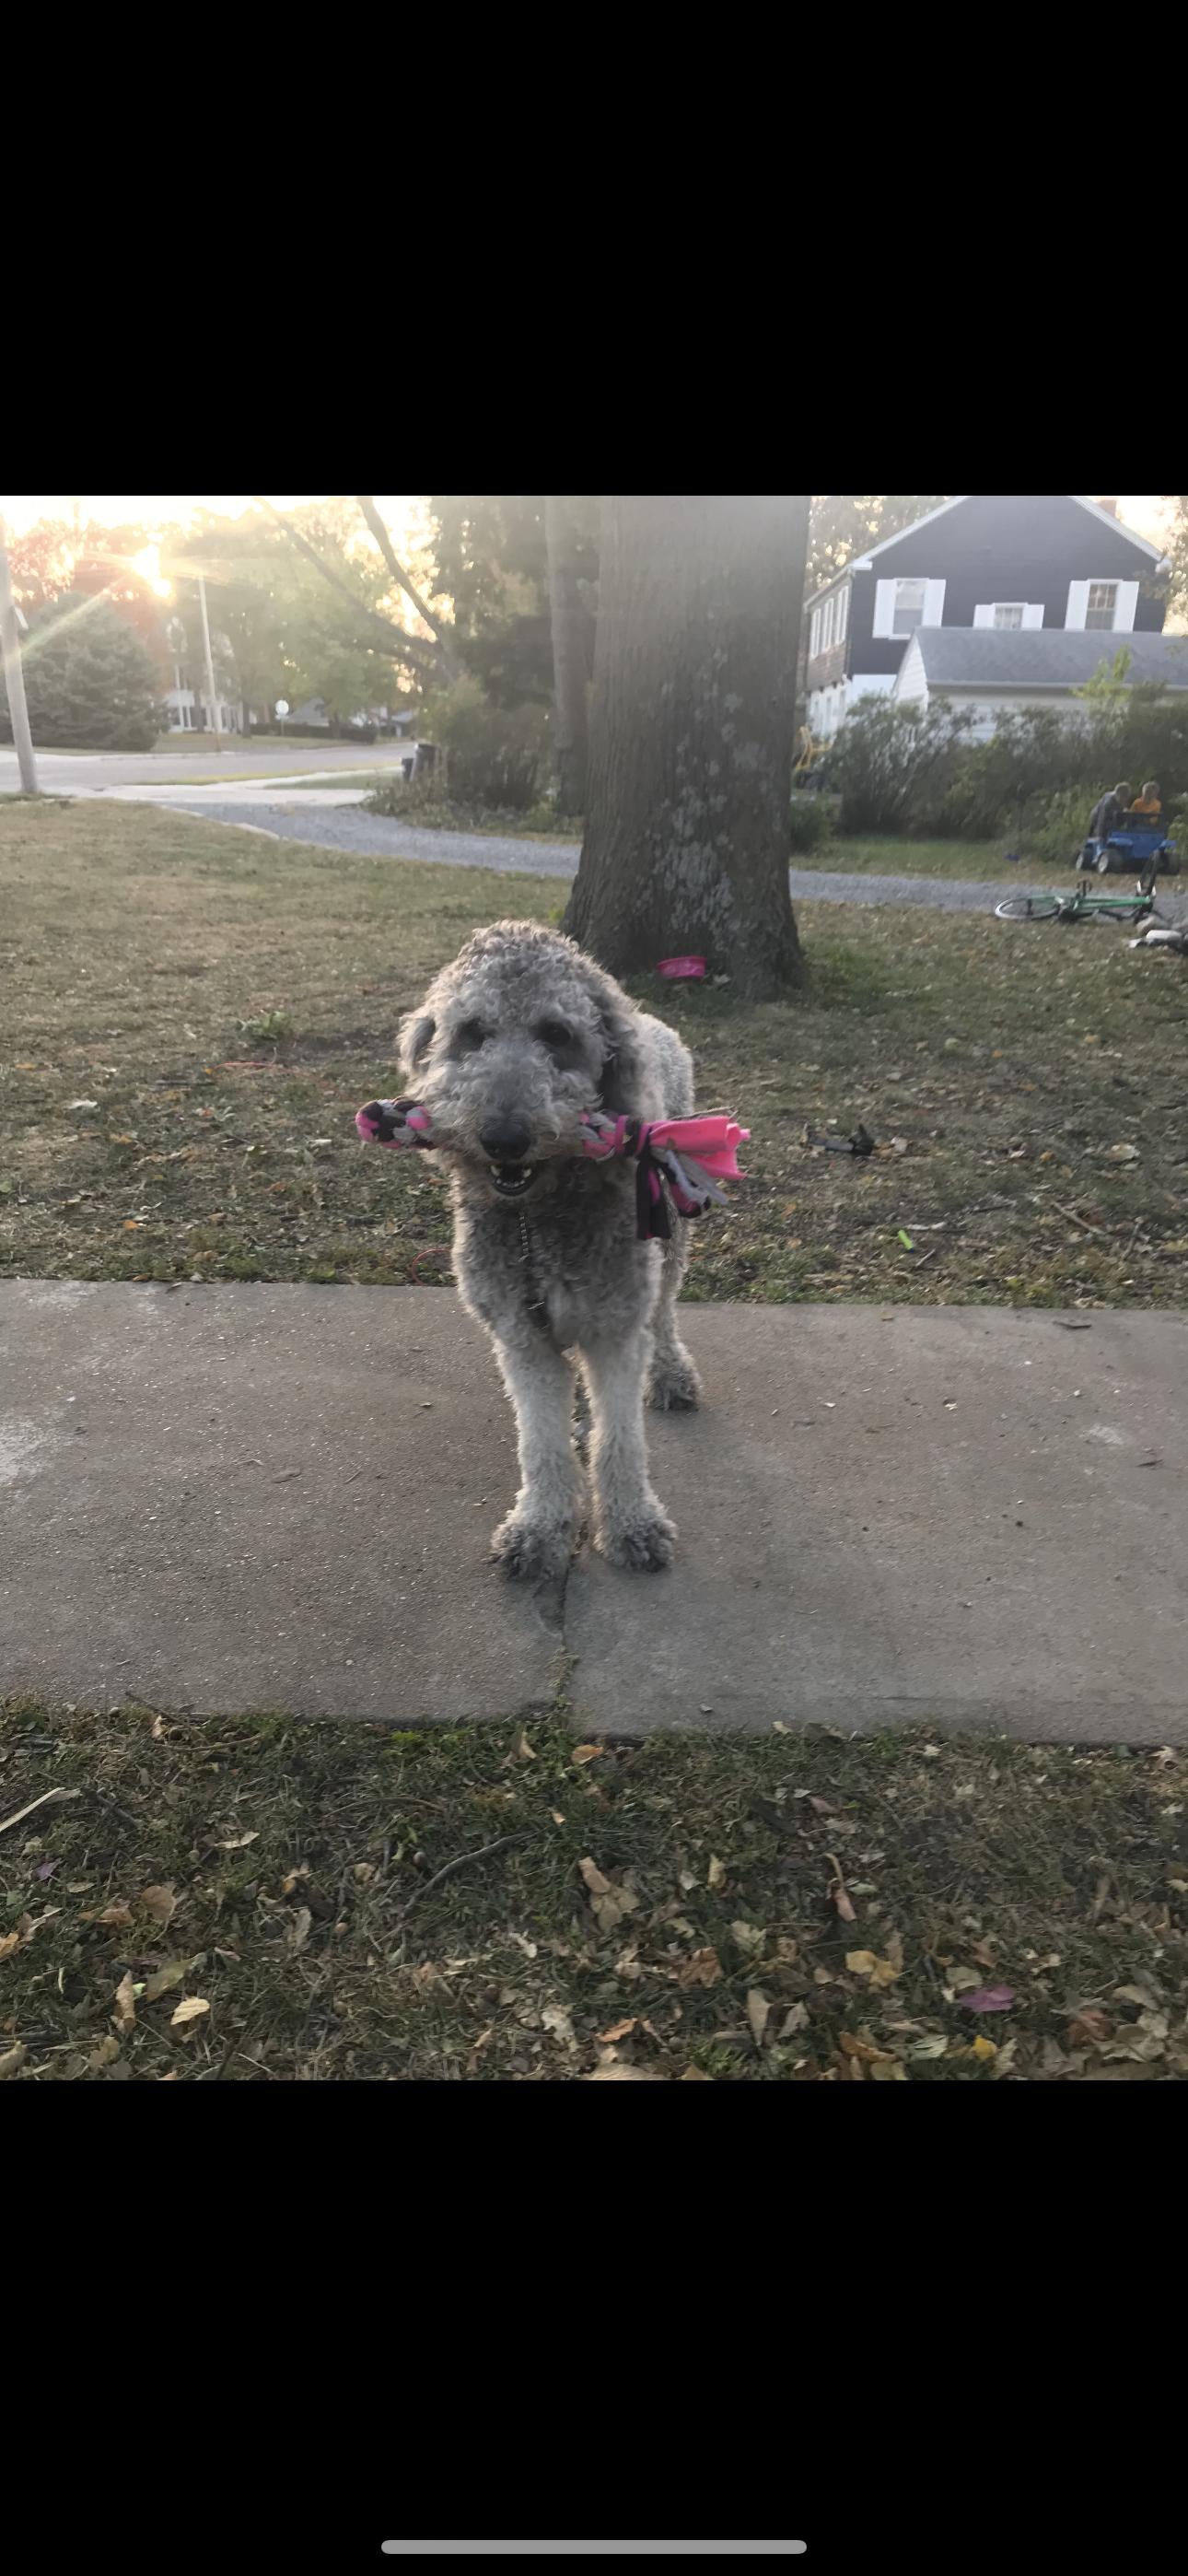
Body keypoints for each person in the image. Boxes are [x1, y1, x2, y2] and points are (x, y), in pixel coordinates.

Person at [1080, 781, 1132, 868]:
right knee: (1102, 834)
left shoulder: (1120, 801)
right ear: (1117, 794)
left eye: (1125, 798)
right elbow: (1101, 819)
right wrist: (1100, 834)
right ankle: (1097, 853)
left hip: (1112, 817)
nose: (1124, 800)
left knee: (1113, 826)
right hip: (1098, 817)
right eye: (1123, 797)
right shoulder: (1108, 802)